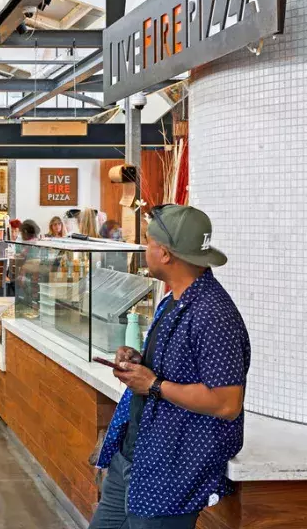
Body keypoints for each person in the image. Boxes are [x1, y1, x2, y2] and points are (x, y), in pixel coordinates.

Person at [90, 205, 250, 529]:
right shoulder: (175, 298)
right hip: (135, 454)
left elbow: (227, 402)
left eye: (149, 241)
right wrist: (139, 362)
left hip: (169, 469)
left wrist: (153, 385)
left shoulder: (213, 314)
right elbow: (173, 370)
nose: (144, 248)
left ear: (164, 253)